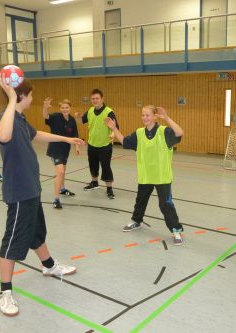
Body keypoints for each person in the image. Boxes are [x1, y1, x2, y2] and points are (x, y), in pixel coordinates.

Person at [0, 73, 85, 316]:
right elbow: (2, 136)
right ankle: (5, 291)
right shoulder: (8, 117)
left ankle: (49, 266)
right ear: (21, 95)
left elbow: (36, 135)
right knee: (13, 240)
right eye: (31, 94)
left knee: (36, 231)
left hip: (32, 188)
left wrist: (66, 138)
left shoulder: (21, 119)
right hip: (19, 191)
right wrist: (11, 98)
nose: (33, 98)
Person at [105, 105, 184, 245]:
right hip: (146, 175)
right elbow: (124, 142)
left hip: (161, 176)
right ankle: (136, 221)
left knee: (165, 205)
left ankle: (176, 229)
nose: (144, 118)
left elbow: (179, 133)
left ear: (154, 116)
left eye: (147, 115)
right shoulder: (139, 133)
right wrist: (114, 129)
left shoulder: (164, 132)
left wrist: (166, 117)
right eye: (142, 115)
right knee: (140, 200)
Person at [75, 89, 118, 199]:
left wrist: (113, 134)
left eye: (97, 98)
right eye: (93, 99)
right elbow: (81, 121)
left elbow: (115, 127)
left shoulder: (109, 112)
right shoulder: (90, 111)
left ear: (102, 99)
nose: (95, 100)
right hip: (92, 145)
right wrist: (78, 117)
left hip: (105, 146)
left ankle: (109, 189)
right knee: (92, 165)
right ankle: (94, 183)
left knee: (106, 167)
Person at [43, 97, 80, 209]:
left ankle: (63, 189)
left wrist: (76, 146)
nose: (65, 109)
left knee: (63, 171)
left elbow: (75, 136)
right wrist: (45, 107)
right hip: (55, 149)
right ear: (60, 108)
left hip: (65, 150)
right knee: (60, 171)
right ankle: (56, 199)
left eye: (67, 107)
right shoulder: (55, 117)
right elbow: (46, 116)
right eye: (63, 108)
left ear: (70, 108)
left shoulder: (72, 120)